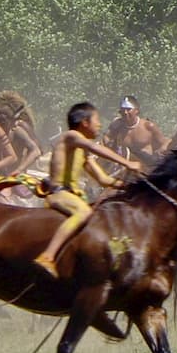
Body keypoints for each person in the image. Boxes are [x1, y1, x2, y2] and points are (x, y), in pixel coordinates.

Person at [33, 102, 142, 278]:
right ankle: (47, 256)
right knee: (84, 213)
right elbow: (95, 147)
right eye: (97, 120)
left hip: (75, 197)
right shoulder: (71, 136)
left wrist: (129, 185)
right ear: (84, 122)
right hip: (59, 194)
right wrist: (127, 163)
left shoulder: (82, 151)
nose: (99, 125)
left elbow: (103, 179)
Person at [103, 96, 168, 169]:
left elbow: (165, 143)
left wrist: (159, 153)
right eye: (123, 110)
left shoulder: (148, 126)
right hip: (126, 167)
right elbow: (106, 137)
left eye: (128, 109)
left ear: (136, 111)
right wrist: (111, 147)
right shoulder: (117, 125)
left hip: (147, 166)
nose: (125, 112)